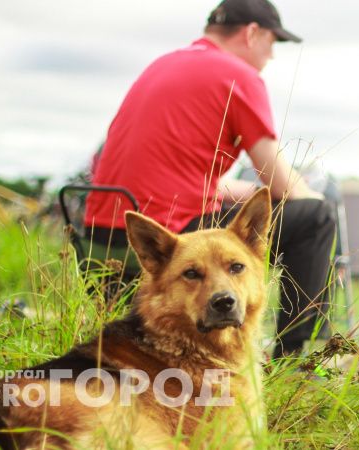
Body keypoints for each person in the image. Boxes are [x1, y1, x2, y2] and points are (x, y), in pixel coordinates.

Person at [83, 0, 336, 359]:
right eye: (272, 43)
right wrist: (313, 195)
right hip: (172, 238)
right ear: (252, 33)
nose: (272, 56)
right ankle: (298, 357)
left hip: (98, 237)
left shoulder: (165, 64)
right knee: (316, 216)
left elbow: (177, 173)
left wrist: (249, 192)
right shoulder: (239, 75)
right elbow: (283, 186)